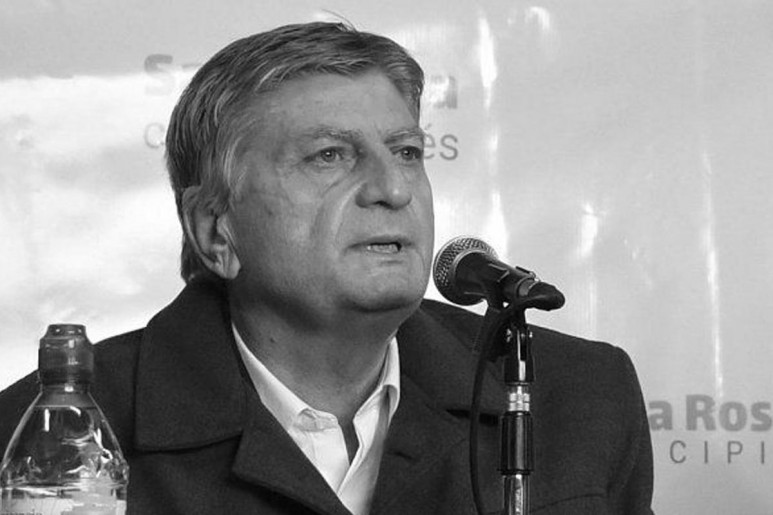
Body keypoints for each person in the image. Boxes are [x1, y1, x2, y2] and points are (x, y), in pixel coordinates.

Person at [0, 22, 653, 514]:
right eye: (329, 156)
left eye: (406, 151)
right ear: (215, 230)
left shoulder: (578, 396)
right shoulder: (52, 431)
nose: (392, 189)